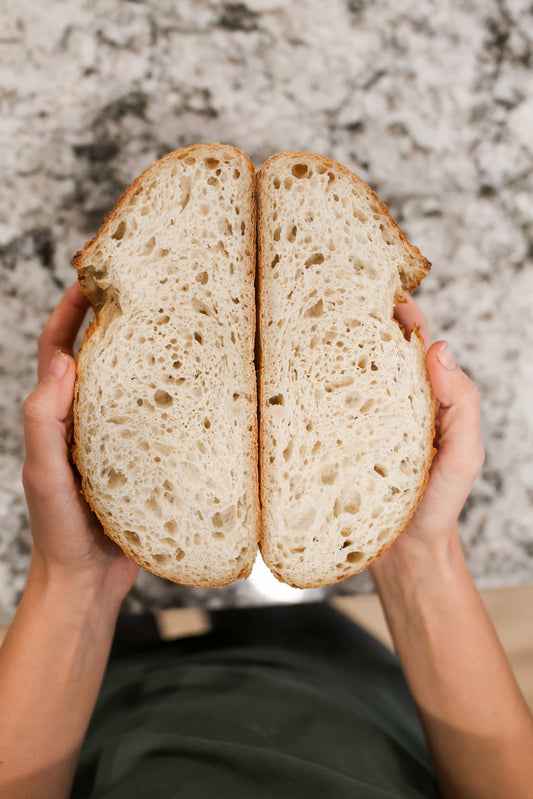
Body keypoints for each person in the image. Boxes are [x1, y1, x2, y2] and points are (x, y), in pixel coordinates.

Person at [1, 282, 532, 799]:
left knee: (162, 638)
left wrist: (75, 585)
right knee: (299, 626)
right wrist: (420, 558)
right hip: (343, 687)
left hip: (82, 714)